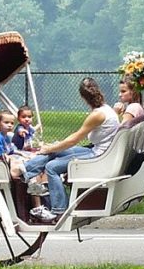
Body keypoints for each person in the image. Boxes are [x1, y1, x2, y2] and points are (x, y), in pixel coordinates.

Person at [23, 78, 119, 223]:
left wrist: (50, 147)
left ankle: (59, 210)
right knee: (54, 150)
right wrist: (53, 147)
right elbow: (73, 138)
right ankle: (25, 171)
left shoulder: (97, 115)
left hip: (98, 155)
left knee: (51, 167)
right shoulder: (106, 109)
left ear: (82, 97)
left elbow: (74, 139)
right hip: (99, 151)